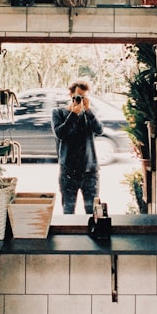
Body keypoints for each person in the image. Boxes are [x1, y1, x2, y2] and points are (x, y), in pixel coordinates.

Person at [52, 80, 103, 214]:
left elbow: (99, 130)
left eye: (84, 96)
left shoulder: (89, 114)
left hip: (89, 170)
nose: (81, 100)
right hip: (69, 171)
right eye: (78, 96)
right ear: (71, 95)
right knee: (68, 211)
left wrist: (88, 110)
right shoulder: (58, 113)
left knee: (93, 212)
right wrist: (73, 114)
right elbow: (60, 133)